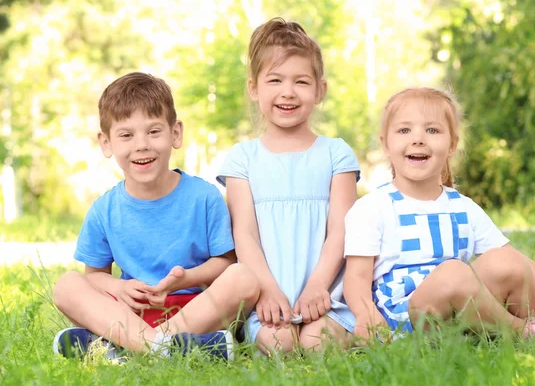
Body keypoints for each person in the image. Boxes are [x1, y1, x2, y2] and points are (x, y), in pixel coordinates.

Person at [343, 87, 535, 342]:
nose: (418, 139)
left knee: (507, 261)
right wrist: (366, 316)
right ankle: (524, 331)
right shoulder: (372, 207)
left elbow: (513, 261)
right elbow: (356, 278)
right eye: (404, 130)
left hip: (463, 310)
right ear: (385, 143)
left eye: (432, 130)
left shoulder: (462, 206)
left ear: (452, 145)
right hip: (407, 319)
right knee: (453, 272)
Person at [52, 72, 259, 361]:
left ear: (175, 133)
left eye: (153, 131)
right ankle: (169, 347)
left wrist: (187, 277)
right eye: (126, 135)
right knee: (66, 286)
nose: (141, 145)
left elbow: (226, 262)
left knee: (244, 277)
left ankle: (117, 344)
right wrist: (119, 287)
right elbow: (95, 277)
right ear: (106, 143)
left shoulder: (204, 197)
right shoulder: (104, 209)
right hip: (131, 313)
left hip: (194, 311)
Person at [217, 18, 360, 354]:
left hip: (327, 292)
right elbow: (245, 235)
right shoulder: (242, 159)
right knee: (279, 344)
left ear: (319, 90)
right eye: (275, 80)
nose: (288, 92)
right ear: (254, 88)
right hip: (267, 294)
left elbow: (341, 231)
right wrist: (266, 290)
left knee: (315, 343)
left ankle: (350, 327)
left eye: (301, 81)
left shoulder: (336, 153)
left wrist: (317, 287)